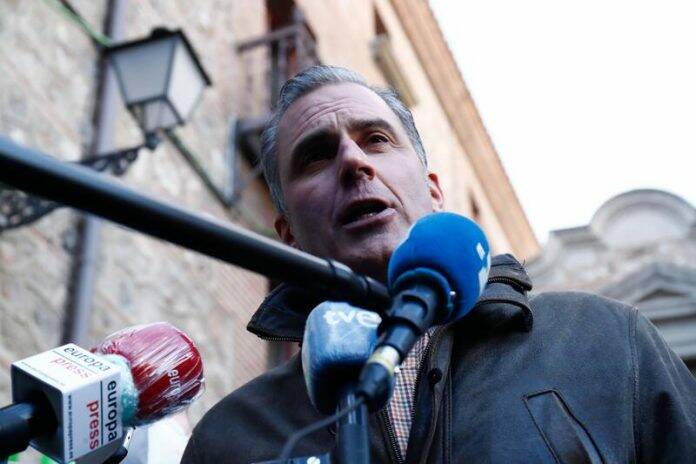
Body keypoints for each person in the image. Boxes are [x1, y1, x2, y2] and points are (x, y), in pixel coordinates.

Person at [181, 66, 696, 463]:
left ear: (433, 192)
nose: (354, 161)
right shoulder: (231, 438)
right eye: (316, 155)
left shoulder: (605, 341)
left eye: (376, 139)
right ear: (289, 233)